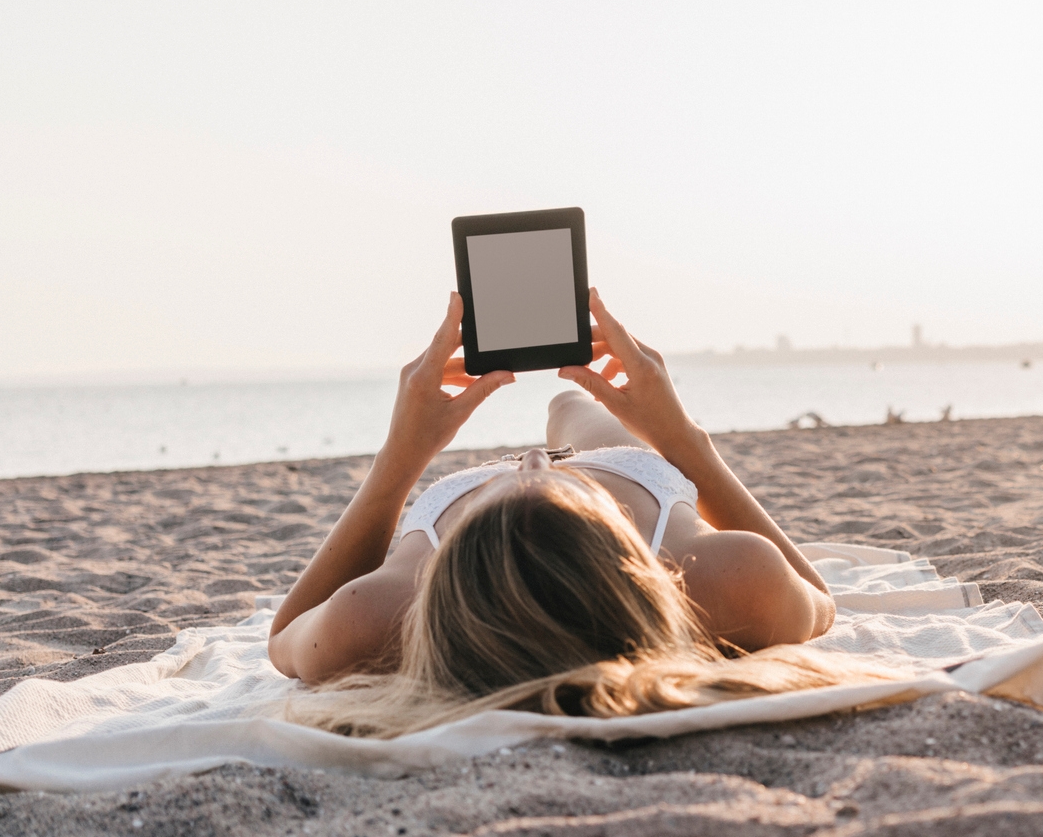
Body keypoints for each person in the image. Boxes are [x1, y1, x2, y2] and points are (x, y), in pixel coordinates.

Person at [268, 288, 885, 735]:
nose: (533, 460)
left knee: (569, 406)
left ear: (448, 570)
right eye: (551, 479)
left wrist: (397, 462)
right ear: (626, 559)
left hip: (550, 523)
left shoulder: (374, 619)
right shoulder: (722, 580)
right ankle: (576, 416)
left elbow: (281, 639)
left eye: (512, 481)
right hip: (635, 478)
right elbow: (816, 596)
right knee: (572, 406)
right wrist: (680, 438)